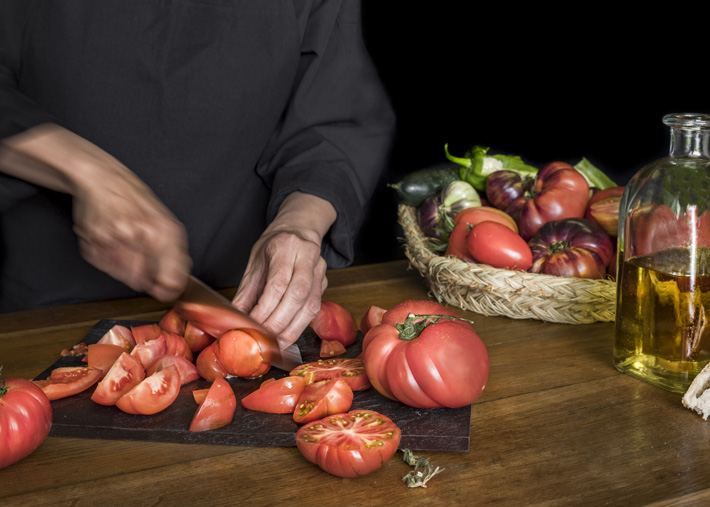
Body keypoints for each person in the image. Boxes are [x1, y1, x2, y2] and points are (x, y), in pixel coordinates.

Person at [0, 0, 394, 347]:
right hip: (45, 317)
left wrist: (299, 225)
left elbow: (333, 117)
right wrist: (83, 171)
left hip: (240, 297)